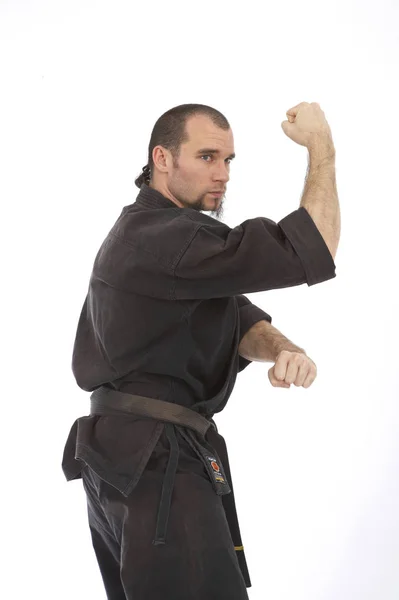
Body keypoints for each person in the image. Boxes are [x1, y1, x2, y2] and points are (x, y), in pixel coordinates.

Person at [62, 101, 340, 599]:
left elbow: (235, 316)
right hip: (156, 463)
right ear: (162, 158)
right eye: (207, 156)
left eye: (229, 160)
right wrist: (322, 146)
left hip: (130, 461)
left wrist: (282, 348)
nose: (222, 174)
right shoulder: (165, 236)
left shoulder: (157, 240)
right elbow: (314, 242)